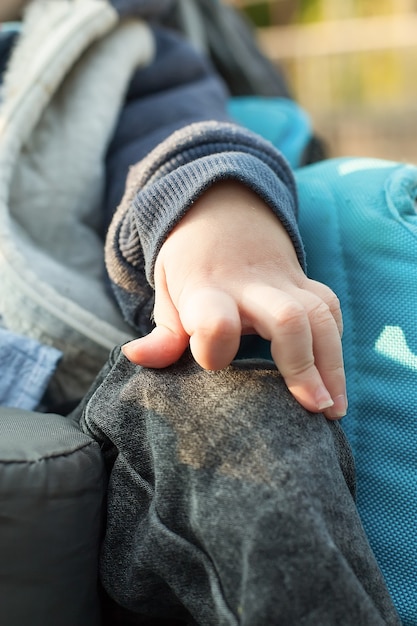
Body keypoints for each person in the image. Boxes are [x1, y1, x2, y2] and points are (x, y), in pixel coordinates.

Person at [0, 0, 400, 624]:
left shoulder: (95, 50)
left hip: (94, 410)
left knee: (222, 384)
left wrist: (217, 228)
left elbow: (179, 139)